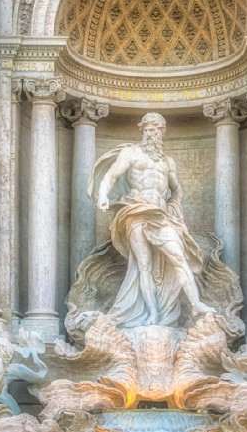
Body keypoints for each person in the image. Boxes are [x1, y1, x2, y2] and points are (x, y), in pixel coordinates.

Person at [89, 112, 215, 328]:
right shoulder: (131, 153)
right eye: (147, 129)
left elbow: (177, 190)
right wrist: (102, 196)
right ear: (142, 131)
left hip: (160, 215)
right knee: (143, 265)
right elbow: (111, 176)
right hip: (136, 212)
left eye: (155, 130)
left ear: (162, 133)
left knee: (179, 257)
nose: (150, 133)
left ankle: (196, 304)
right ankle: (153, 314)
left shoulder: (168, 162)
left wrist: (174, 206)